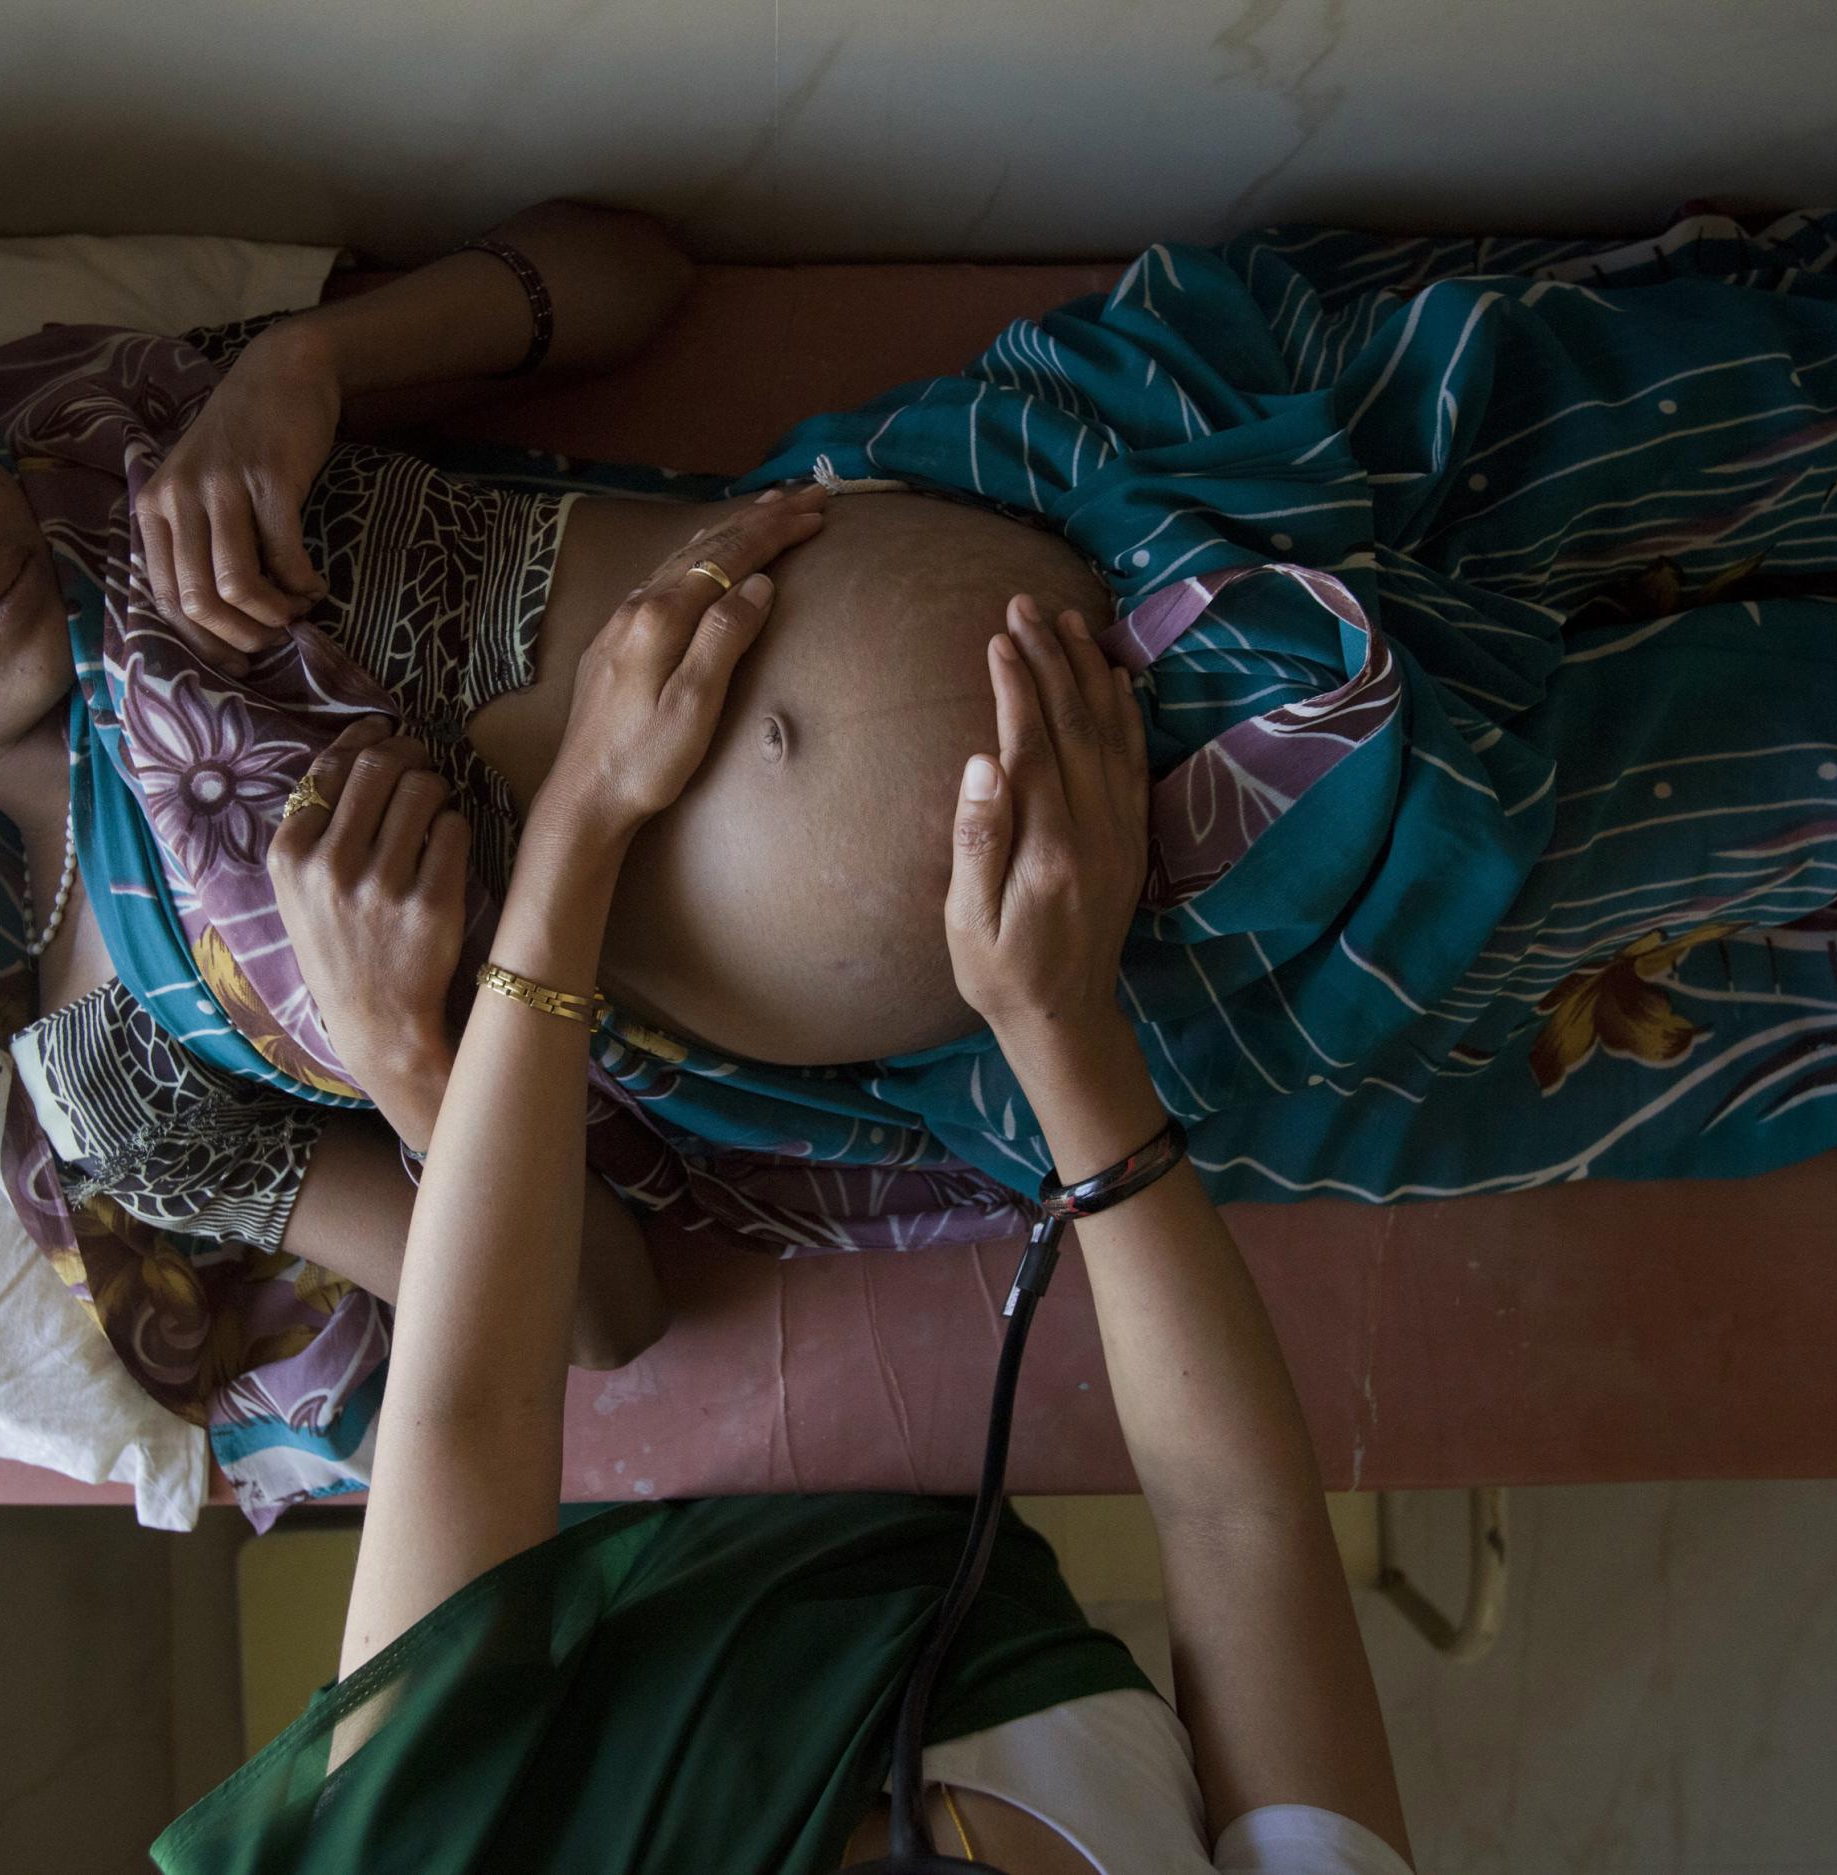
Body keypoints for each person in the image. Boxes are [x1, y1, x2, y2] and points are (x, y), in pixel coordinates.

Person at [0, 203, 1837, 1519]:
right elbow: (589, 1313)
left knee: (1812, 401)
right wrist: (406, 1056)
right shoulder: (110, 1075)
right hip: (1178, 918)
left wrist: (307, 363)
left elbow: (624, 274)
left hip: (1151, 494)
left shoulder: (139, 444)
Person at [150, 546, 1415, 1874]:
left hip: (603, 1484)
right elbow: (1238, 1517)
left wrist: (583, 822)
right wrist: (1066, 1039)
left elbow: (473, 1408)